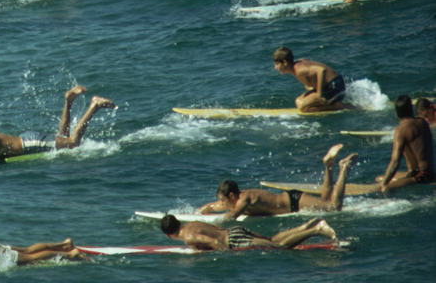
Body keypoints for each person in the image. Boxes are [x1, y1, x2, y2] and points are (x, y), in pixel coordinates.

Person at [199, 144, 358, 218]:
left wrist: (214, 224)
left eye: (223, 199)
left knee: (334, 207)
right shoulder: (233, 199)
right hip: (290, 200)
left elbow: (232, 216)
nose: (221, 203)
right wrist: (198, 213)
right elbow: (211, 207)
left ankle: (344, 168)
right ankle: (328, 166)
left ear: (232, 196)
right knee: (324, 201)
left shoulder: (244, 199)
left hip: (294, 201)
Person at [160, 215, 337, 251]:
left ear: (169, 235)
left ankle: (317, 229)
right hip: (234, 231)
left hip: (234, 240)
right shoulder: (192, 223)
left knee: (280, 246)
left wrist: (229, 256)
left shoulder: (188, 237)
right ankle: (305, 226)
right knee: (272, 239)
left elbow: (214, 243)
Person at [376, 95, 435, 192]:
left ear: (396, 114)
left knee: (385, 188)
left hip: (421, 176)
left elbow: (395, 162)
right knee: (378, 178)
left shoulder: (401, 130)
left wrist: (384, 184)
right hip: (426, 173)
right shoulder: (422, 122)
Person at [272, 46, 349, 112]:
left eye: (277, 64)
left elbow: (321, 70)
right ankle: (334, 102)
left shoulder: (299, 70)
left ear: (285, 62)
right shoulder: (298, 64)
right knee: (298, 101)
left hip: (335, 86)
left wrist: (319, 95)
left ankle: (338, 106)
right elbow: (308, 62)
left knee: (303, 107)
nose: (275, 67)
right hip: (333, 84)